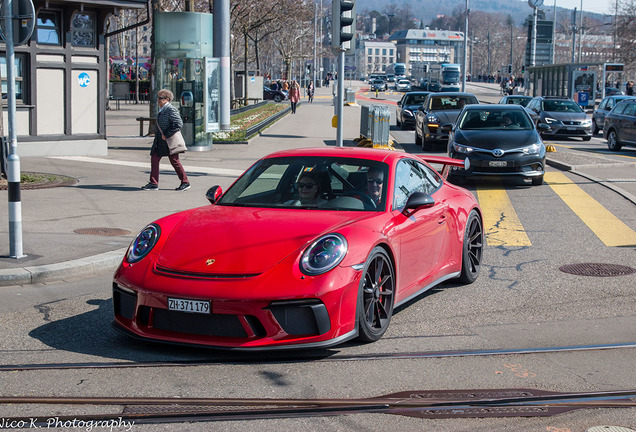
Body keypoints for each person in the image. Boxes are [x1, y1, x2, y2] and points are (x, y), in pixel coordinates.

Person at [141, 89, 190, 191]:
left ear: (167, 99)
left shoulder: (171, 110)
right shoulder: (162, 110)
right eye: (158, 98)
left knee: (174, 161)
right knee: (154, 158)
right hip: (159, 140)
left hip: (168, 140)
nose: (158, 100)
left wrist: (167, 134)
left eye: (160, 98)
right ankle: (153, 183)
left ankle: (185, 182)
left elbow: (178, 124)